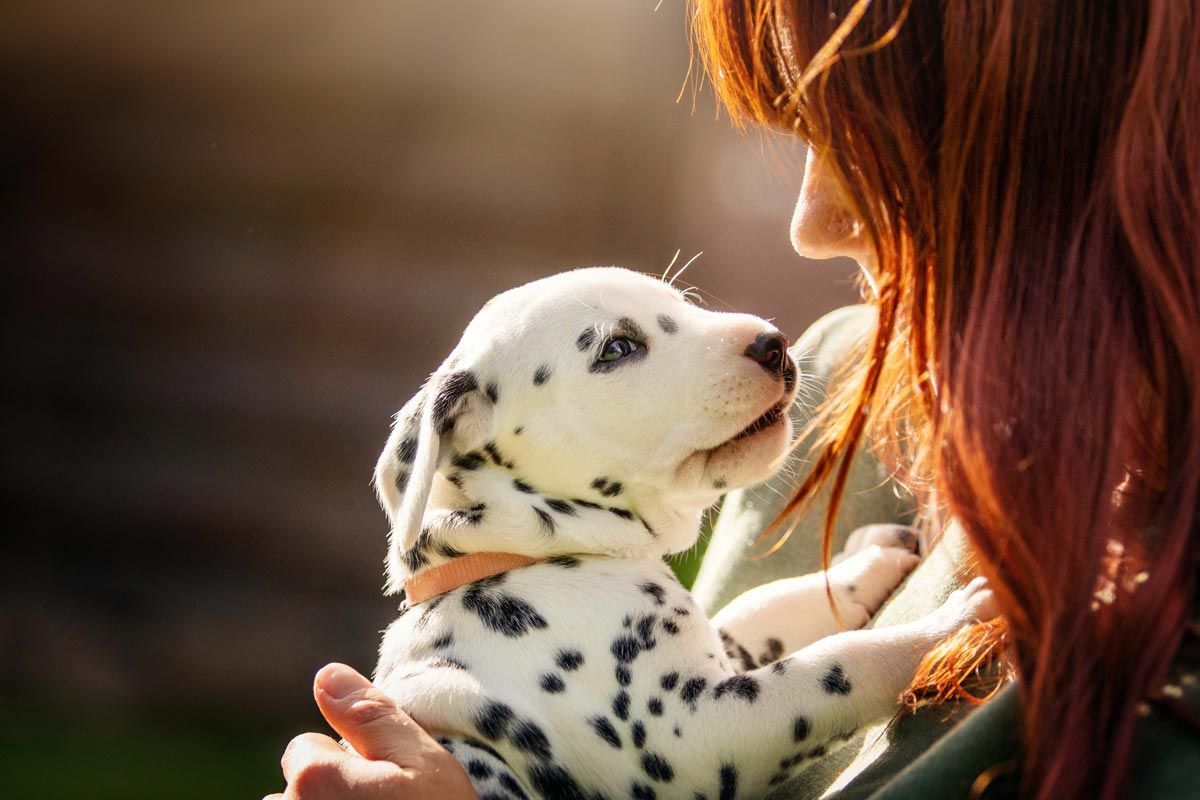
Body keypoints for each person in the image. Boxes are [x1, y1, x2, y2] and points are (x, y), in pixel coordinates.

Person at [268, 1, 1199, 798]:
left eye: (863, 134)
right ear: (450, 446)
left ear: (1066, 128)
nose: (809, 226)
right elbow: (706, 695)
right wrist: (885, 623)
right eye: (625, 349)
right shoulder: (845, 389)